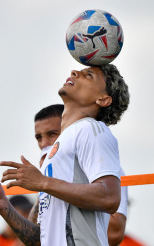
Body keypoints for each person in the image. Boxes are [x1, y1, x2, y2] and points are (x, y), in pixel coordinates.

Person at [0, 64, 130, 246]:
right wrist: (4, 206)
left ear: (102, 99)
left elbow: (110, 197)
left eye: (88, 75)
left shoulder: (91, 128)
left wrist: (42, 182)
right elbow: (39, 240)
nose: (74, 72)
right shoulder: (59, 149)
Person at [29, 104, 128, 245]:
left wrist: (48, 183)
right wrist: (3, 207)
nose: (44, 143)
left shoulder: (105, 167)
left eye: (52, 134)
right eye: (39, 138)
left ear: (68, 130)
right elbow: (39, 239)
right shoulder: (47, 180)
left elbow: (114, 234)